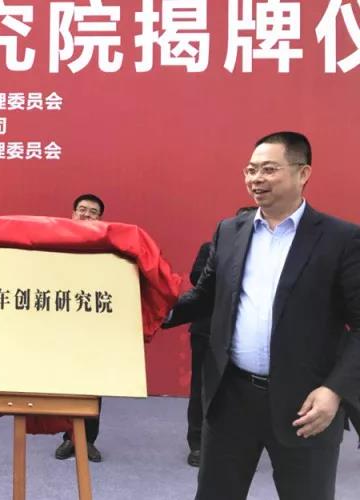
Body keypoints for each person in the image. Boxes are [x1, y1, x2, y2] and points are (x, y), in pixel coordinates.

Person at [164, 131, 360, 500]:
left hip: (305, 405)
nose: (256, 179)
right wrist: (150, 312)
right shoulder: (230, 231)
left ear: (303, 173)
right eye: (251, 170)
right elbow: (205, 297)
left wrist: (334, 390)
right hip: (231, 397)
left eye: (269, 169)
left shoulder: (341, 239)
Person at [185, 206, 256, 468]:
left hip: (247, 336)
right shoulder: (212, 247)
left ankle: (238, 444)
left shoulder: (268, 254)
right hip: (208, 330)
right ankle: (197, 444)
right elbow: (197, 280)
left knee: (243, 391)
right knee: (202, 389)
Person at [54, 193, 104, 462]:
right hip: (63, 322)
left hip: (95, 325)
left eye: (93, 212)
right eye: (82, 210)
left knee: (93, 384)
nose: (86, 215)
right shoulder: (56, 243)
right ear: (72, 214)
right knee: (67, 381)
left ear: (100, 219)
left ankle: (88, 440)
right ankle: (68, 437)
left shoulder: (107, 248)